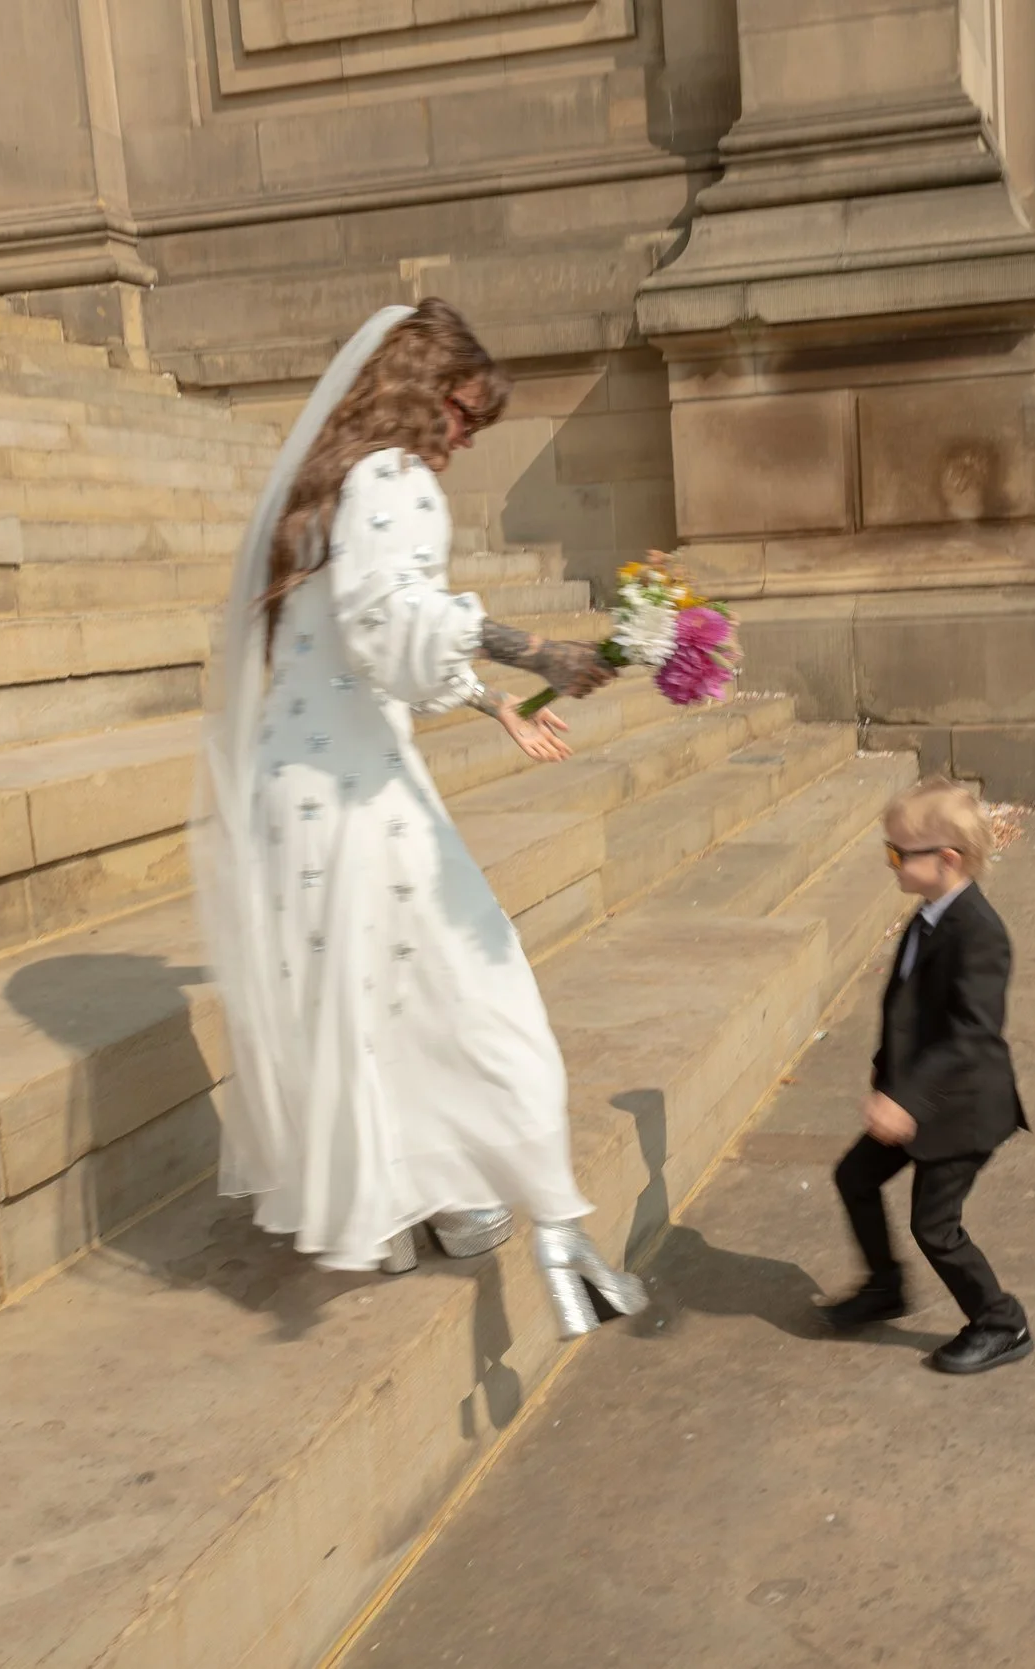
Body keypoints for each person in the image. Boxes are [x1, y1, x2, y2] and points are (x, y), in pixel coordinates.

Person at [193, 298, 646, 1338]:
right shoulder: (390, 478)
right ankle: (489, 1190)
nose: (466, 437)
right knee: (470, 977)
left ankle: (421, 1194)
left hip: (299, 789)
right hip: (353, 795)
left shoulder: (324, 490)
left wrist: (489, 700)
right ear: (420, 390)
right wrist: (535, 653)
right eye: (463, 410)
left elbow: (364, 637)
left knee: (370, 991)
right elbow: (391, 618)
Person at [819, 779, 1033, 1374]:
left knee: (934, 1226)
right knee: (854, 1176)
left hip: (963, 1109)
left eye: (897, 854)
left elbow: (971, 1033)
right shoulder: (929, 916)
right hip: (915, 1098)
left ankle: (1001, 1321)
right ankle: (885, 1286)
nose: (889, 862)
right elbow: (908, 1007)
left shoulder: (979, 932)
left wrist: (906, 1097)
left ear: (947, 860)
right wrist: (886, 1077)